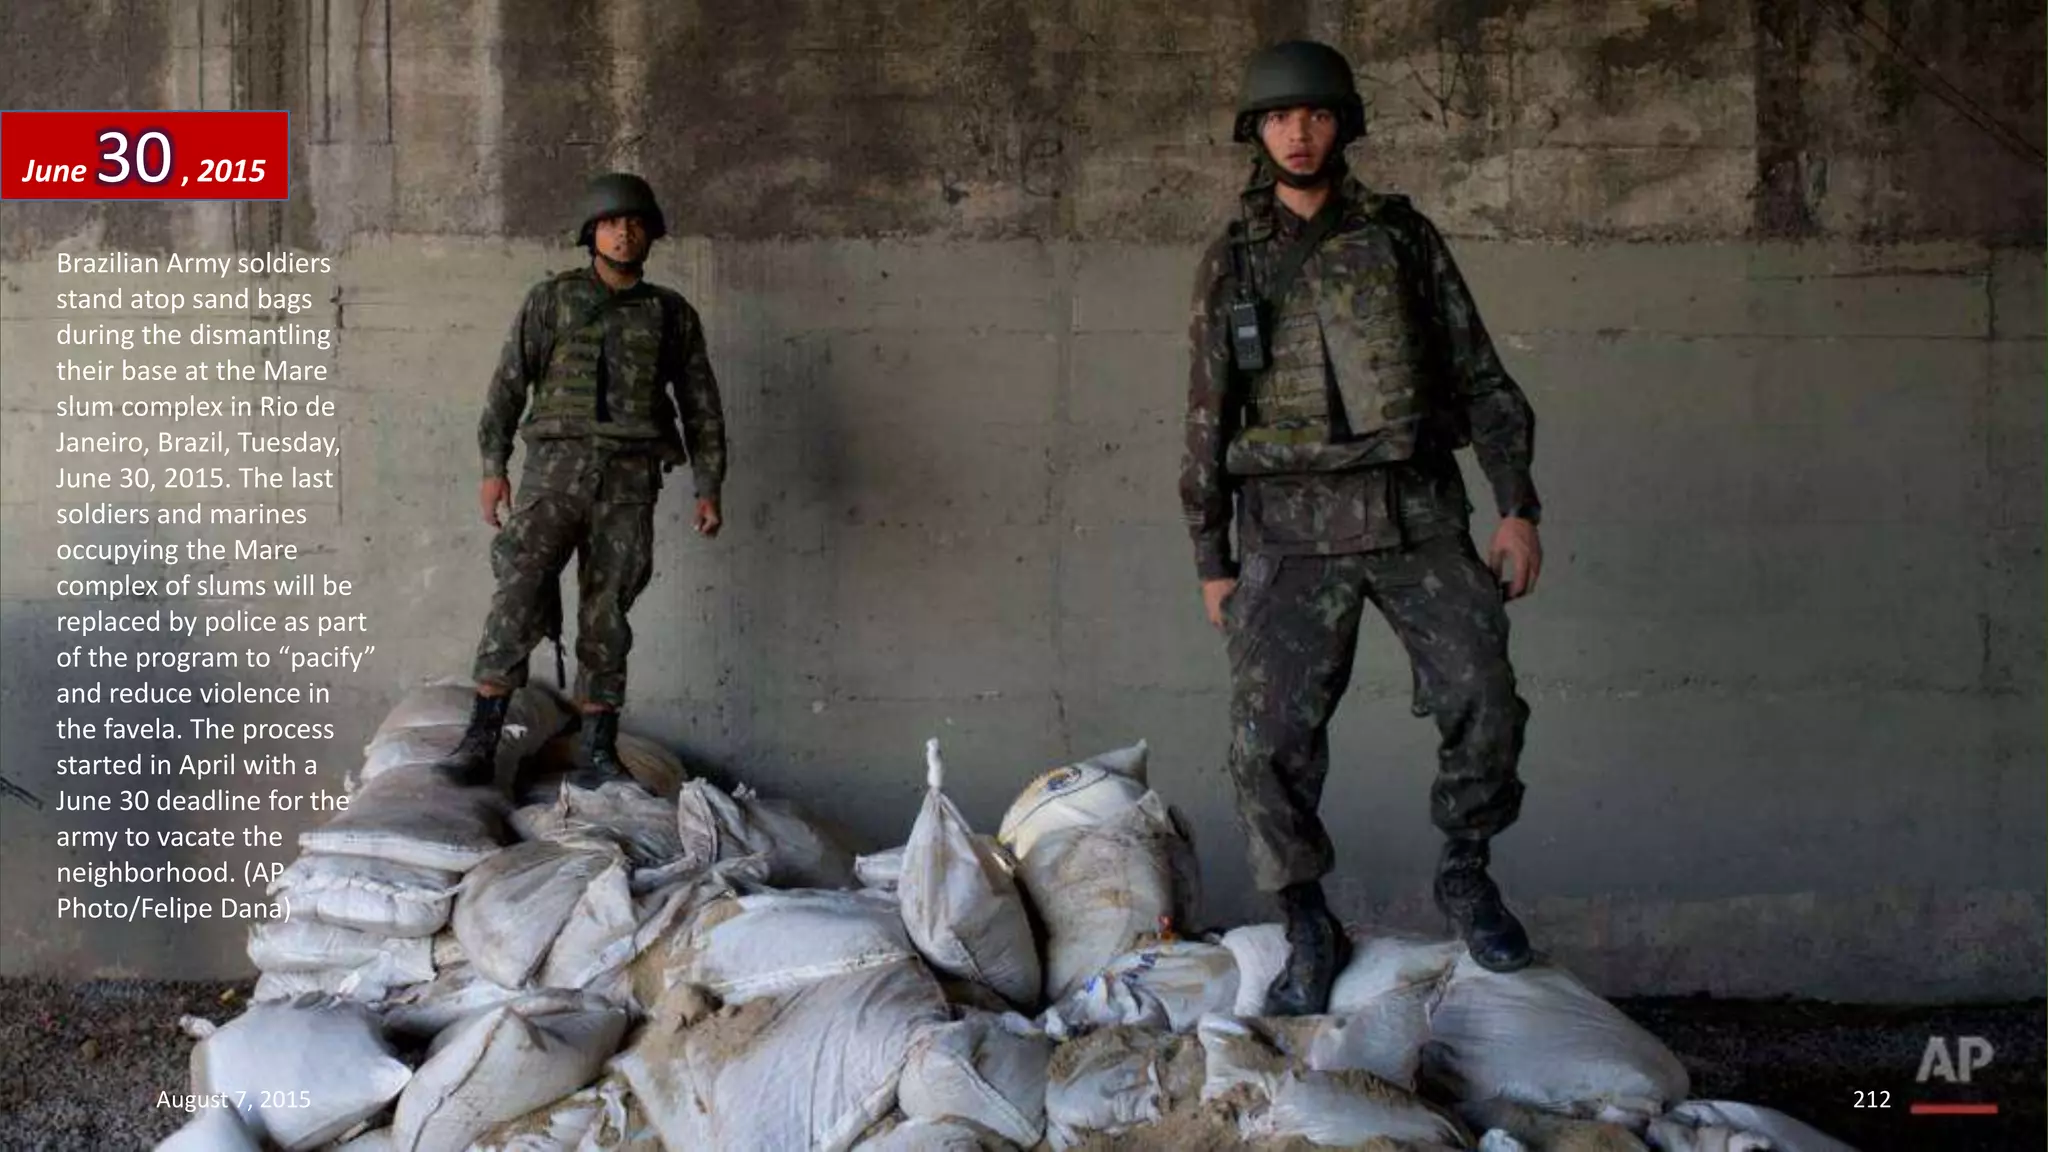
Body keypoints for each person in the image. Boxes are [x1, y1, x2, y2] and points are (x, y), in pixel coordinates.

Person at [1181, 41, 1545, 1014]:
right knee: (1263, 747)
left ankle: (1464, 869)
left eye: (1314, 115)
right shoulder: (1234, 256)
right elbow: (1205, 415)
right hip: (1287, 534)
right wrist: (1209, 555)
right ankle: (1305, 916)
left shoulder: (1400, 238)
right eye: (1277, 118)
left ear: (1342, 124)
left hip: (1413, 514)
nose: (1297, 133)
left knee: (1484, 695)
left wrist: (1515, 505)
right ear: (1255, 133)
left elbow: (1477, 378)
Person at [437, 172, 727, 791]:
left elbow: (702, 404)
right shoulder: (553, 300)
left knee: (608, 614)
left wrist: (709, 485)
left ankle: (599, 749)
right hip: (553, 475)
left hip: (628, 481)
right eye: (612, 223)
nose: (624, 234)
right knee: (518, 593)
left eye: (635, 223)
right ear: (591, 233)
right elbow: (508, 386)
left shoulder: (670, 315)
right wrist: (494, 470)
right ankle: (481, 739)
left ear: (650, 235)